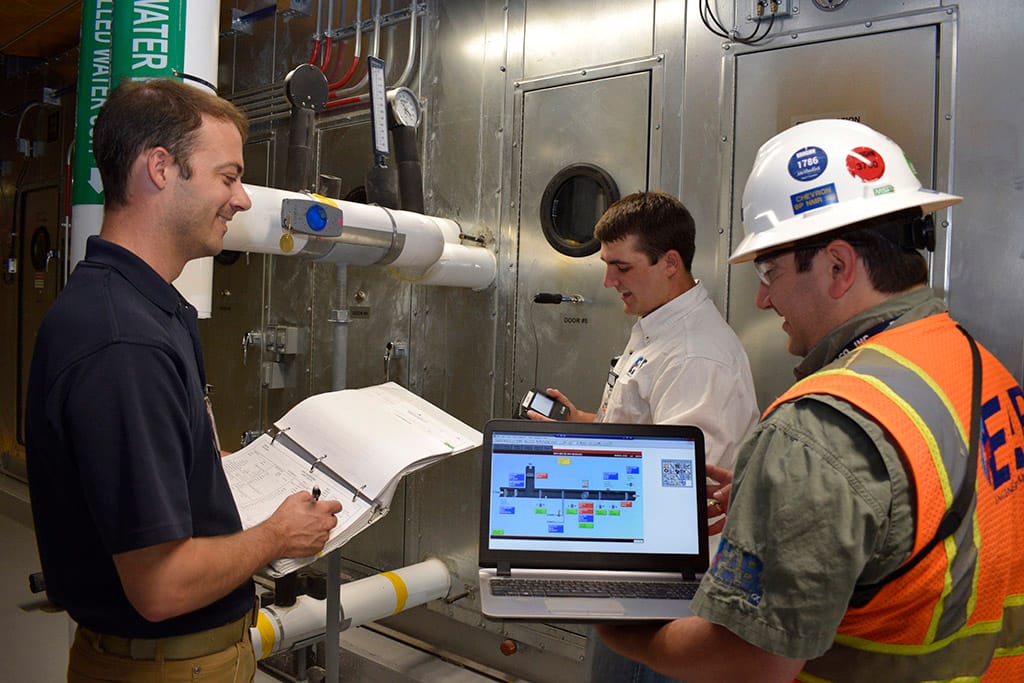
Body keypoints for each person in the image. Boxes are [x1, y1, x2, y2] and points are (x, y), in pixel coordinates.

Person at [595, 119, 1024, 681]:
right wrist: (789, 496)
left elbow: (754, 660)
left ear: (838, 266)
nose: (762, 298)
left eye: (769, 271)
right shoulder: (972, 361)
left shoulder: (818, 428)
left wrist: (623, 629)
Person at [25, 78, 343, 682]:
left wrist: (207, 465)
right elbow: (160, 587)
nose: (241, 199)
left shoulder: (147, 307)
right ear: (161, 169)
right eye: (228, 177)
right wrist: (277, 535)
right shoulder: (124, 342)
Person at [529, 191, 759, 683]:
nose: (609, 281)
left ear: (670, 262)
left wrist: (565, 477)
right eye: (606, 266)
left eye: (622, 267)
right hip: (634, 565)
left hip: (662, 586)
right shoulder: (658, 324)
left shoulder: (695, 355)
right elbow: (648, 432)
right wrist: (586, 425)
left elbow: (676, 489)